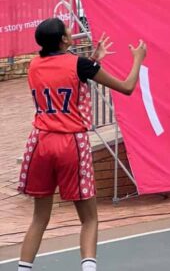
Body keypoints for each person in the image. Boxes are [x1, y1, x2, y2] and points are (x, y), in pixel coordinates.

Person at [17, 20, 146, 271]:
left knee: (39, 218)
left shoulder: (34, 65)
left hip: (40, 142)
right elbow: (127, 87)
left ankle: (23, 268)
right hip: (70, 142)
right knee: (89, 219)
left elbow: (63, 74)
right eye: (67, 31)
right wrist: (138, 59)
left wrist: (93, 60)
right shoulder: (80, 65)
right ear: (64, 40)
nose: (71, 32)